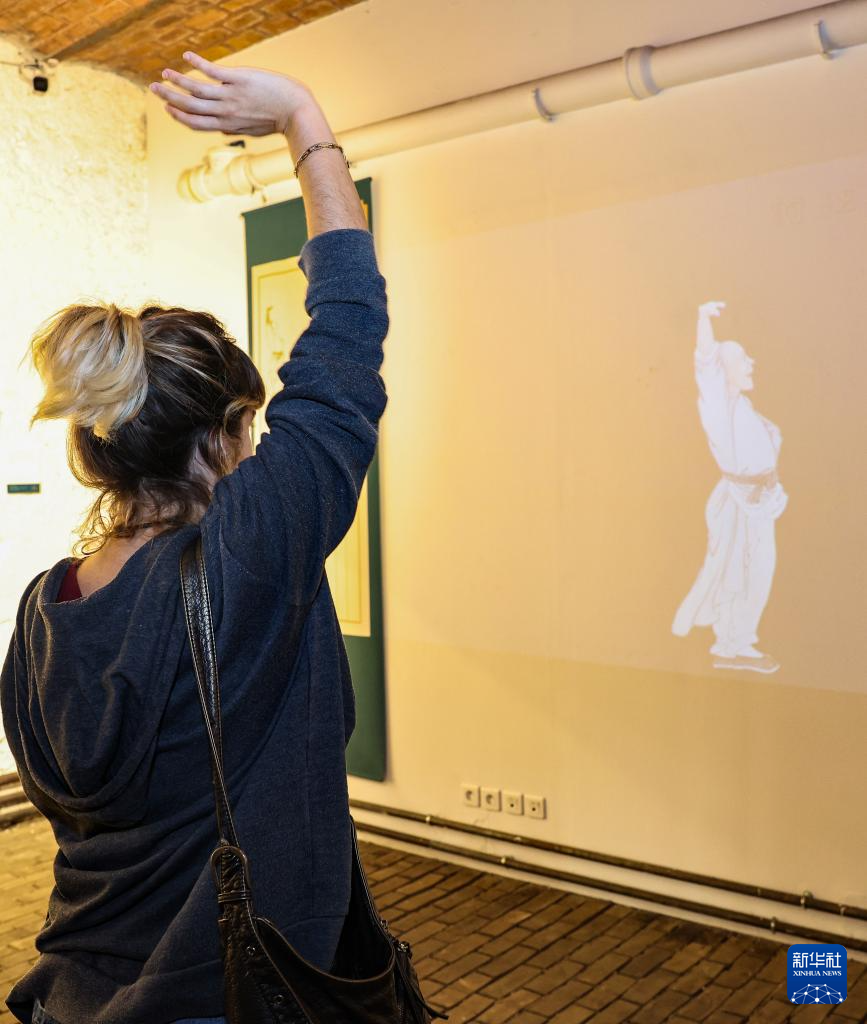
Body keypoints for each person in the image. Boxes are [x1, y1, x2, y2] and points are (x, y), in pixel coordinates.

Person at [0, 49, 389, 1024]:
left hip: (73, 994)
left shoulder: (45, 610)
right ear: (222, 438)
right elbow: (347, 329)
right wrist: (301, 116)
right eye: (249, 430)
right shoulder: (244, 561)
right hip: (226, 993)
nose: (255, 451)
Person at [671, 300, 786, 673]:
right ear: (724, 371)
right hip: (740, 503)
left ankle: (736, 642)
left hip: (758, 501)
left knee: (758, 569)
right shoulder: (717, 408)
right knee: (742, 571)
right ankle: (732, 645)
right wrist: (703, 320)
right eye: (743, 359)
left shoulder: (742, 406)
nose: (752, 363)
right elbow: (706, 364)